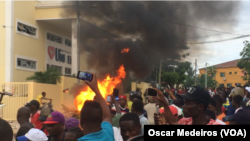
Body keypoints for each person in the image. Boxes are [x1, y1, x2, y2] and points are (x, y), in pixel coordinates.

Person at [155, 86, 222, 125]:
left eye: (188, 103)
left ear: (200, 106)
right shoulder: (184, 121)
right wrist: (164, 103)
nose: (183, 106)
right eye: (184, 103)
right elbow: (172, 122)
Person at [78, 73, 114, 141]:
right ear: (101, 119)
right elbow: (107, 116)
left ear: (81, 121)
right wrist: (96, 89)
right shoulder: (108, 134)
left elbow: (106, 116)